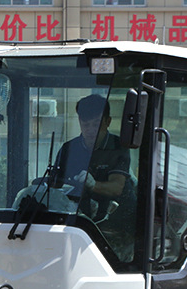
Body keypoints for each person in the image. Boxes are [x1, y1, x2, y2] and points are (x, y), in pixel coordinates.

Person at [54, 94, 133, 224]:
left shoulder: (119, 147)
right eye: (85, 125)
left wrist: (93, 185)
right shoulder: (68, 149)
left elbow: (117, 187)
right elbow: (55, 186)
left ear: (108, 122)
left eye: (96, 124)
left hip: (117, 218)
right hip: (77, 218)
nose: (91, 130)